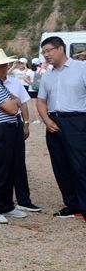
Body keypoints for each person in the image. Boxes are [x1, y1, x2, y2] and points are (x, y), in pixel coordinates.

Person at [0, 49, 40, 222]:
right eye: (5, 64)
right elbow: (12, 108)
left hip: (6, 128)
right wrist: (15, 102)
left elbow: (13, 102)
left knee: (8, 169)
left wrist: (14, 101)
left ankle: (6, 205)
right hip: (0, 129)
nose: (7, 67)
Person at [37, 35, 86, 220]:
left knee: (80, 165)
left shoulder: (81, 68)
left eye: (49, 50)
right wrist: (46, 120)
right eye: (43, 52)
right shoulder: (47, 75)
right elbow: (41, 101)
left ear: (61, 49)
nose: (46, 55)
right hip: (54, 122)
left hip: (77, 121)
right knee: (60, 166)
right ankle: (72, 204)